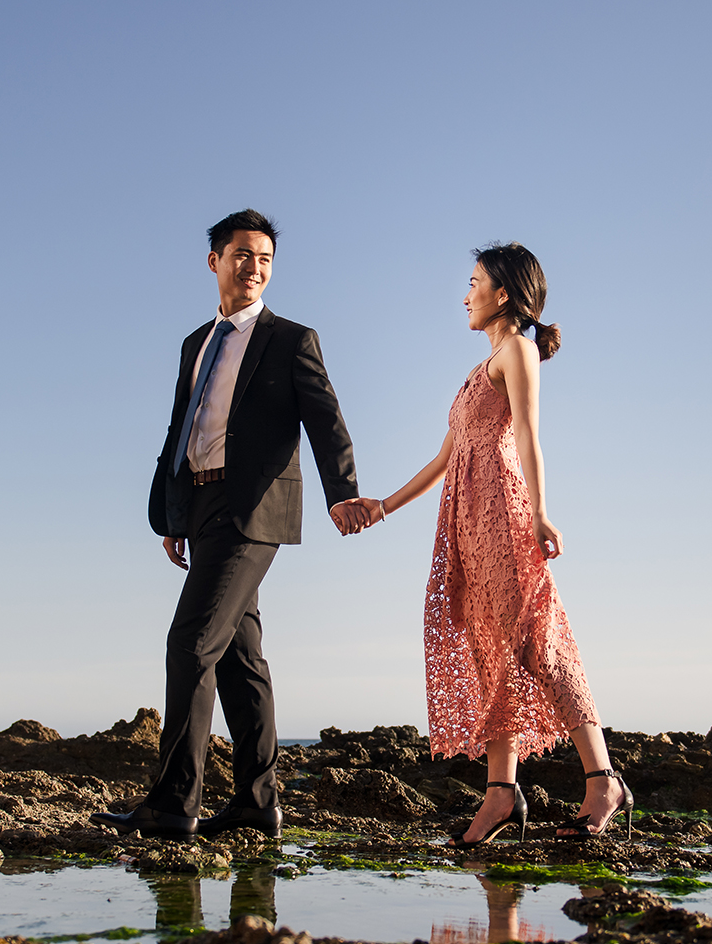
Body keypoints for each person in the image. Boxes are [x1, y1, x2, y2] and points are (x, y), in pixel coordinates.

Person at [339, 243, 630, 844]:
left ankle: (603, 779)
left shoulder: (518, 350)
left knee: (533, 640)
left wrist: (542, 512)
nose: (465, 294)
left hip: (503, 511)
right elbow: (446, 458)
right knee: (488, 650)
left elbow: (528, 433)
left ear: (503, 294)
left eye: (474, 283)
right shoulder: (478, 369)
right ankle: (502, 792)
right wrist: (382, 507)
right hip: (464, 521)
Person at [95, 210, 372, 841]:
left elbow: (327, 422)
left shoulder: (292, 339)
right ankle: (256, 800)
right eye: (242, 255)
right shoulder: (197, 342)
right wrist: (172, 514)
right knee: (237, 659)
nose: (254, 267)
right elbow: (182, 429)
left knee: (189, 643)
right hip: (200, 505)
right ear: (215, 261)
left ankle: (173, 805)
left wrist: (343, 494)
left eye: (265, 258)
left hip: (254, 512)